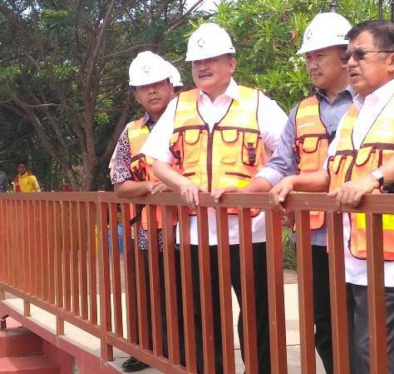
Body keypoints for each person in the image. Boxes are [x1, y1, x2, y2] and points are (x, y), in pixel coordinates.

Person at [270, 20, 394, 374]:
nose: (350, 62)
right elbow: (332, 171)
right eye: (348, 55)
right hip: (349, 252)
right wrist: (294, 181)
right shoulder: (355, 111)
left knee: (373, 348)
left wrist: (373, 179)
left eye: (360, 54)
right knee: (348, 346)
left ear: (392, 61)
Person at [141, 23, 287, 374]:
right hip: (196, 234)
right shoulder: (180, 106)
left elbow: (286, 156)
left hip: (251, 233)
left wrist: (256, 188)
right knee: (203, 317)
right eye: (196, 62)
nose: (202, 67)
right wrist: (180, 183)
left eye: (211, 59)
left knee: (257, 317)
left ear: (231, 64)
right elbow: (156, 159)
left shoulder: (257, 103)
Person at [244, 12, 353, 374]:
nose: (311, 64)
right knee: (324, 323)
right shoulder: (301, 110)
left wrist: (293, 183)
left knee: (364, 326)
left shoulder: (369, 104)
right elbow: (281, 163)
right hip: (316, 234)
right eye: (308, 57)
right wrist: (250, 190)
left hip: (362, 233)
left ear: (345, 53)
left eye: (319, 55)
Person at [109, 51, 180, 373]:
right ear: (136, 95)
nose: (151, 91)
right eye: (143, 87)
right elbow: (120, 184)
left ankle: (185, 354)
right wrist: (152, 188)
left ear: (171, 85)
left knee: (188, 296)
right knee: (146, 296)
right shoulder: (131, 132)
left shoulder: (190, 122)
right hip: (146, 232)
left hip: (188, 232)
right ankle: (145, 350)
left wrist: (174, 186)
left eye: (156, 84)